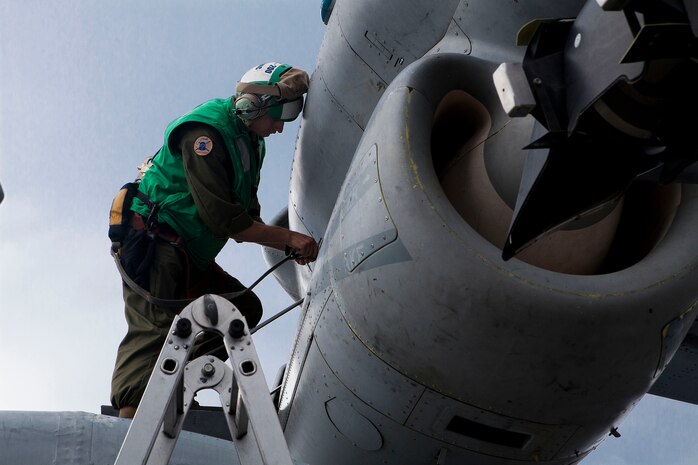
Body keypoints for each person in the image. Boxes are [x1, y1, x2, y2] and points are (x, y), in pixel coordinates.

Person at [110, 62, 319, 419]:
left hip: (190, 254)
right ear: (251, 105)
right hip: (155, 246)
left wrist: (287, 242)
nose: (282, 126)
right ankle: (130, 420)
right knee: (155, 332)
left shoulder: (251, 145)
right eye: (281, 112)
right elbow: (227, 222)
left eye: (293, 112)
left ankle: (172, 386)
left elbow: (246, 218)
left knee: (243, 311)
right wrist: (289, 237)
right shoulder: (205, 132)